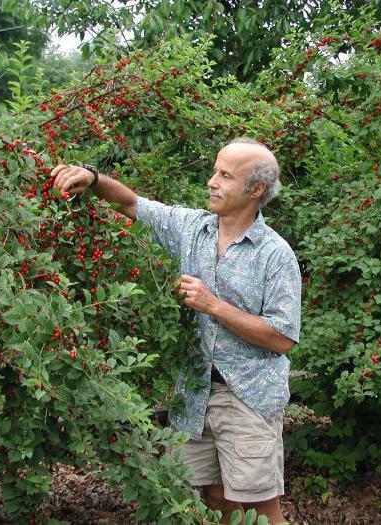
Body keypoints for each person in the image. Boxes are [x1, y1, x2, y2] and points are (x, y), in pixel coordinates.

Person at [51, 138, 301, 524]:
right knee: (215, 497)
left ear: (255, 190)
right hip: (195, 392)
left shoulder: (275, 254)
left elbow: (282, 337)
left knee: (261, 509)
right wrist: (93, 177)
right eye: (215, 170)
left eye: (225, 176)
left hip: (248, 396)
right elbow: (132, 204)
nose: (211, 182)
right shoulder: (192, 228)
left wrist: (212, 305)